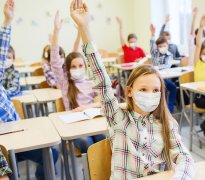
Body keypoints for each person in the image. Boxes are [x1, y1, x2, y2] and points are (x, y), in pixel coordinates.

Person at [70, 1, 195, 179]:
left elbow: (184, 157)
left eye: (155, 90)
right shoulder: (119, 118)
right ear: (129, 91)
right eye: (143, 89)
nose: (150, 95)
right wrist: (84, 28)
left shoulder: (167, 123)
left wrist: (180, 177)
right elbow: (102, 80)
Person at [0, 1, 59, 179]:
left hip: (20, 135)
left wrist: (8, 21)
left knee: (52, 153)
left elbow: (2, 52)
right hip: (3, 149)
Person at [50, 11, 105, 153]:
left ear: (85, 66)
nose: (77, 69)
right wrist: (56, 30)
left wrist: (85, 108)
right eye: (73, 66)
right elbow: (55, 60)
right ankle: (92, 172)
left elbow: (101, 102)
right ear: (67, 70)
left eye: (80, 66)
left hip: (92, 121)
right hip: (75, 125)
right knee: (87, 143)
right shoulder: (65, 83)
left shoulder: (91, 82)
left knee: (103, 139)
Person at [150, 24, 177, 113]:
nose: (162, 48)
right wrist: (153, 35)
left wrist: (158, 67)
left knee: (173, 87)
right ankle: (161, 109)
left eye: (164, 46)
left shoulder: (169, 55)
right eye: (160, 46)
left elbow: (167, 65)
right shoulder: (155, 53)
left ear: (167, 46)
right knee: (163, 90)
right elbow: (151, 45)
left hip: (165, 78)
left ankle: (170, 108)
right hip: (155, 79)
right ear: (157, 47)